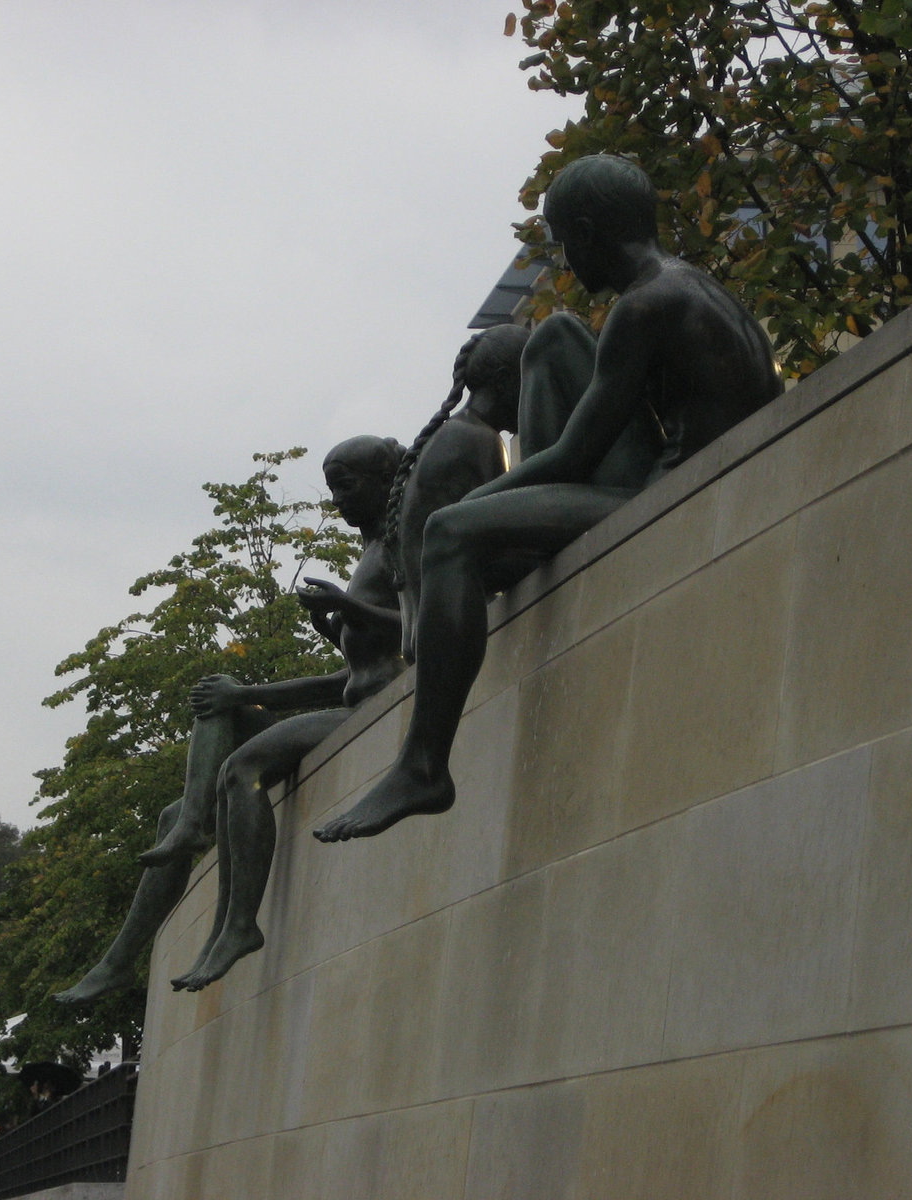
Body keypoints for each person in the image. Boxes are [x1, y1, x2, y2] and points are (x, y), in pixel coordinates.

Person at [315, 153, 781, 843]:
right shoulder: (687, 285)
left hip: (677, 492)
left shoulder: (644, 306)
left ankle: (423, 766)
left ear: (589, 231)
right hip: (674, 470)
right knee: (556, 335)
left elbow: (574, 458)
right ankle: (499, 554)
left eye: (565, 240)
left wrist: (465, 515)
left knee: (451, 536)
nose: (566, 257)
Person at [54, 435, 406, 999]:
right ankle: (122, 955)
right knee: (215, 708)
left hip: (381, 712)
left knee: (241, 768)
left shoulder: (401, 545)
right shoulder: (368, 554)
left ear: (385, 482)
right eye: (331, 488)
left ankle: (240, 925)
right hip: (352, 700)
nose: (337, 500)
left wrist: (345, 608)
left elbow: (423, 629)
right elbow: (343, 676)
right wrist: (247, 694)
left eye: (347, 486)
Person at [384, 323, 529, 663]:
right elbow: (510, 531)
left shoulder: (457, 433)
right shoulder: (477, 439)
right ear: (508, 380)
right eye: (533, 379)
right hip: (449, 627)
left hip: (428, 632)